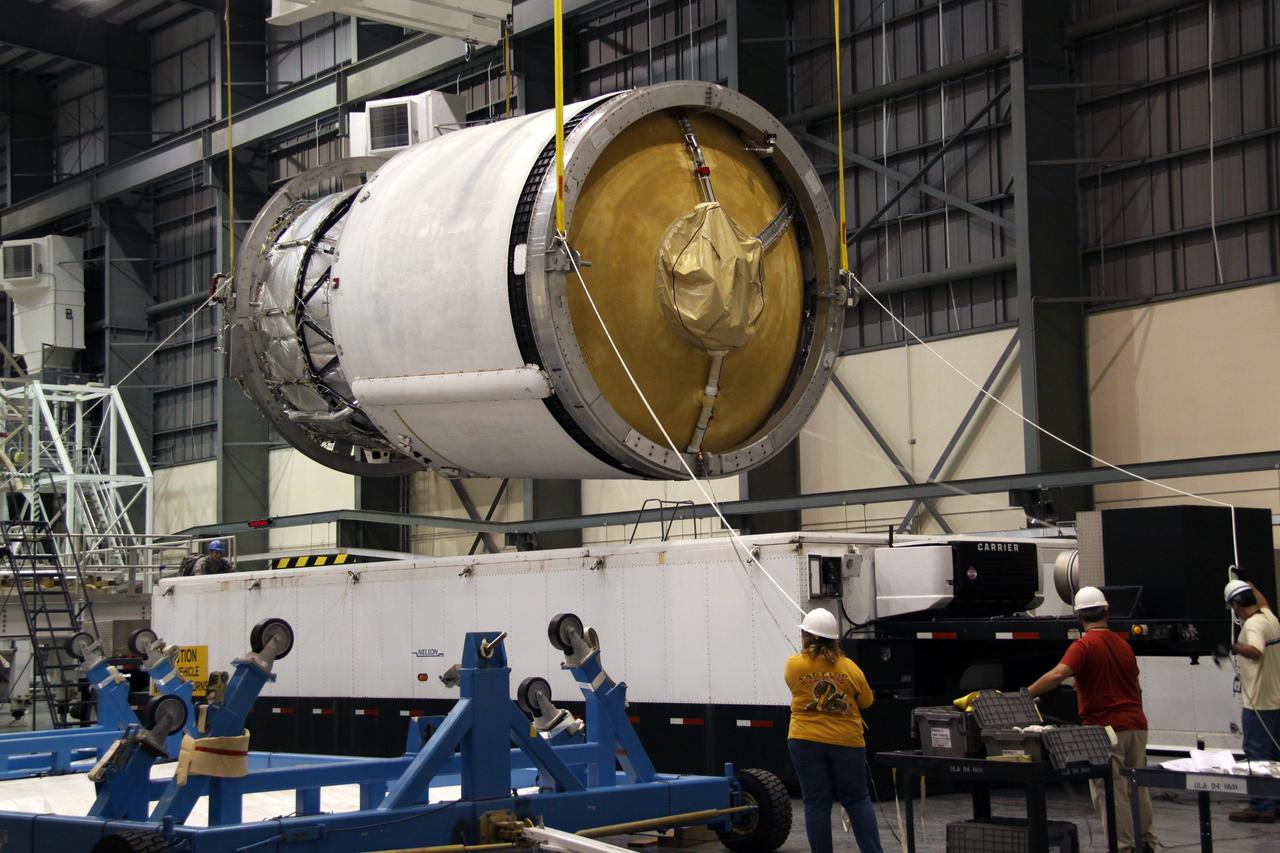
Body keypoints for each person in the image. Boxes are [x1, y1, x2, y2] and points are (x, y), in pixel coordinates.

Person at [1027, 587, 1155, 853]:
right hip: (1136, 724)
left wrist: (1025, 694)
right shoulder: (1124, 645)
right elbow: (1136, 687)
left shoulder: (1083, 646)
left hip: (1105, 729)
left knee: (1110, 789)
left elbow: (1058, 674)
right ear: (1106, 611)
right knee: (1137, 786)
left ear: (1078, 616)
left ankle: (1123, 848)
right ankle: (1146, 842)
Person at [785, 607, 882, 853]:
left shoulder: (794, 665)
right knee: (857, 800)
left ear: (808, 637)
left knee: (816, 803)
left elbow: (793, 687)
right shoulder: (849, 668)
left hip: (804, 739)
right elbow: (867, 701)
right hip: (846, 741)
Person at [1223, 579, 1280, 822]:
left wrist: (1234, 647)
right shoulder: (1269, 617)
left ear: (1235, 605)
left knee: (1257, 755)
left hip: (1259, 704)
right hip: (1275, 701)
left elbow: (1256, 651)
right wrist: (1248, 582)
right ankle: (1276, 803)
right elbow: (1264, 602)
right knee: (1275, 757)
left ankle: (1261, 806)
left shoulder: (1254, 625)